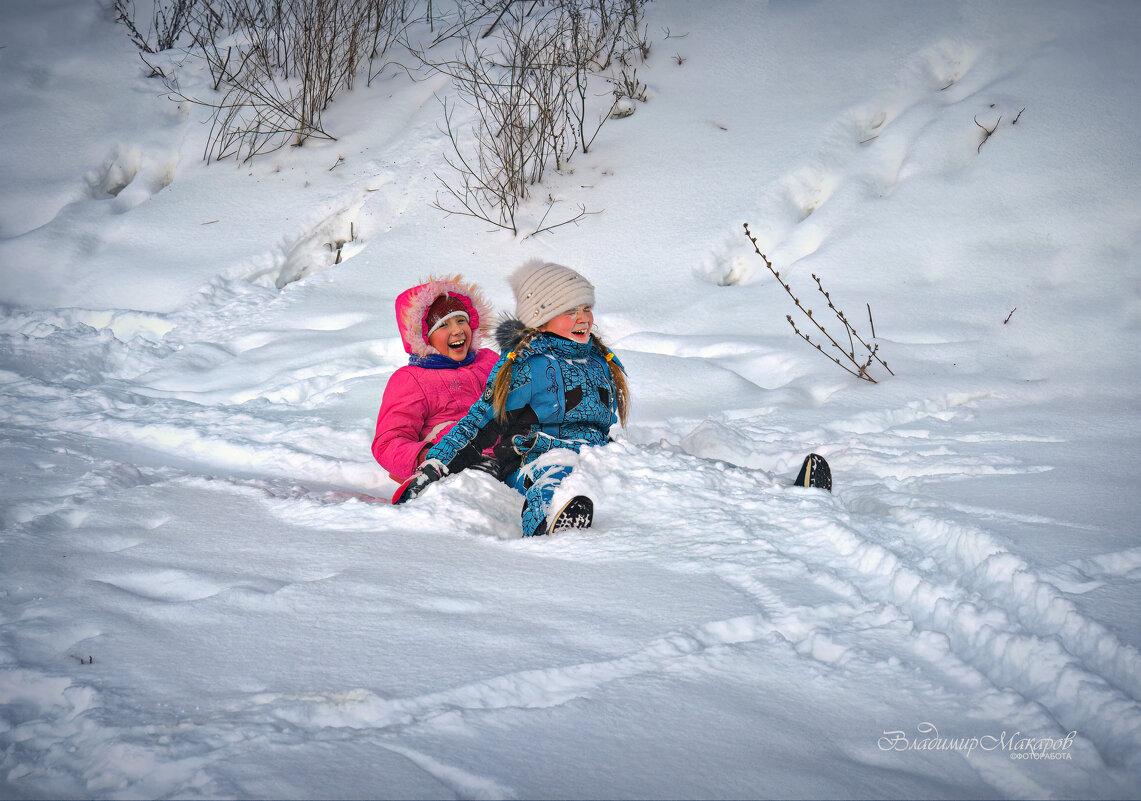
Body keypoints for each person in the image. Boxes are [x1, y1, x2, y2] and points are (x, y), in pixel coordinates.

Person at [395, 259, 630, 537]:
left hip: (592, 454)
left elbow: (602, 423)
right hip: (534, 460)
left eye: (586, 308)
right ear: (541, 320)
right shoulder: (527, 364)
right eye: (569, 311)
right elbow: (480, 421)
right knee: (555, 476)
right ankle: (547, 529)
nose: (583, 318)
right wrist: (436, 465)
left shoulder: (598, 360)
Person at [371, 275, 499, 485]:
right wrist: (430, 456)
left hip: (506, 455)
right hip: (451, 467)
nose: (457, 330)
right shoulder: (412, 379)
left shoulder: (489, 361)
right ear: (423, 336)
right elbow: (388, 443)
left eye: (461, 320)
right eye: (443, 325)